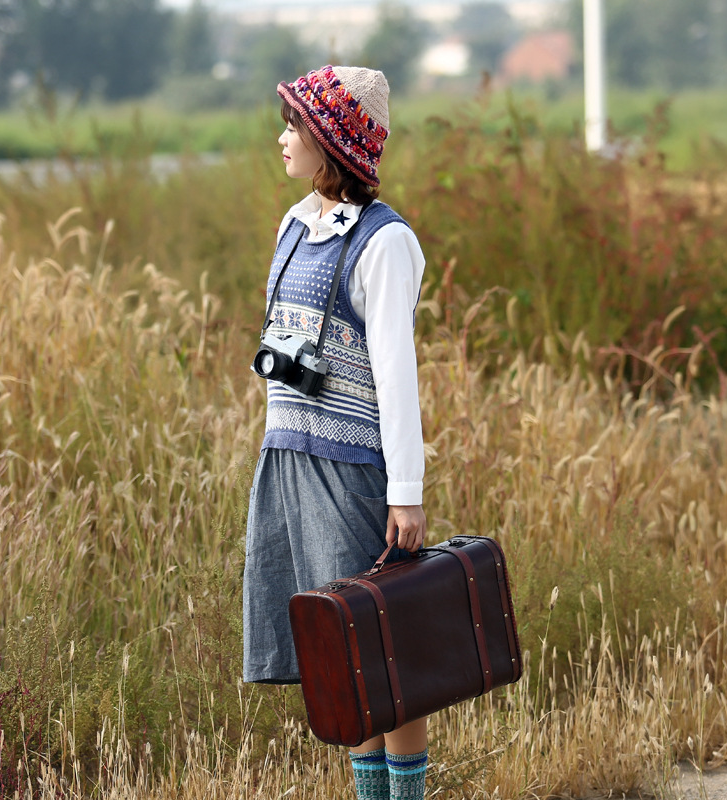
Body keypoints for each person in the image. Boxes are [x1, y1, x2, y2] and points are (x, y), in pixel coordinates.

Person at [243, 64, 428, 800]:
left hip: (352, 469)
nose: (281, 137)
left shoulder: (385, 242)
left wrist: (405, 493)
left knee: (385, 657)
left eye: (293, 126)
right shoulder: (294, 225)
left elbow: (396, 372)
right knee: (337, 658)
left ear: (329, 141)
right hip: (290, 458)